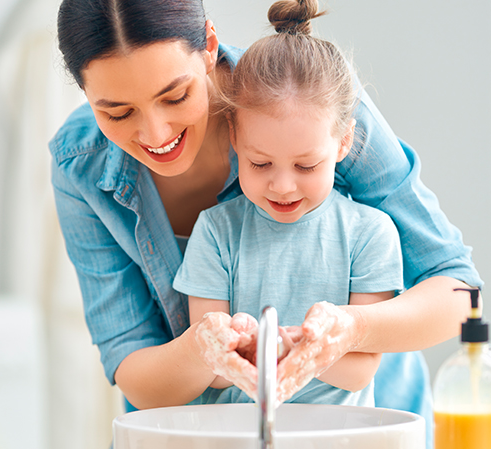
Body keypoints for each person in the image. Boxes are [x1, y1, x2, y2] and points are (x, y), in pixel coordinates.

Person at [50, 0, 483, 446]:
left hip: (362, 426)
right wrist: (202, 351)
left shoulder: (309, 95)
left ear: (209, 47)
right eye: (117, 113)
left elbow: (458, 291)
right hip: (200, 433)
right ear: (84, 93)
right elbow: (131, 363)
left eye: (175, 95)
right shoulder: (79, 164)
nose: (157, 134)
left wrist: (352, 330)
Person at [173, 2, 403, 408]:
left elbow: (359, 372)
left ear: (344, 142)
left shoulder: (370, 234)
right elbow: (211, 362)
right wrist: (243, 344)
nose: (282, 185)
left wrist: (284, 347)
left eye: (306, 165)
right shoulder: (216, 232)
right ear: (234, 138)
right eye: (259, 163)